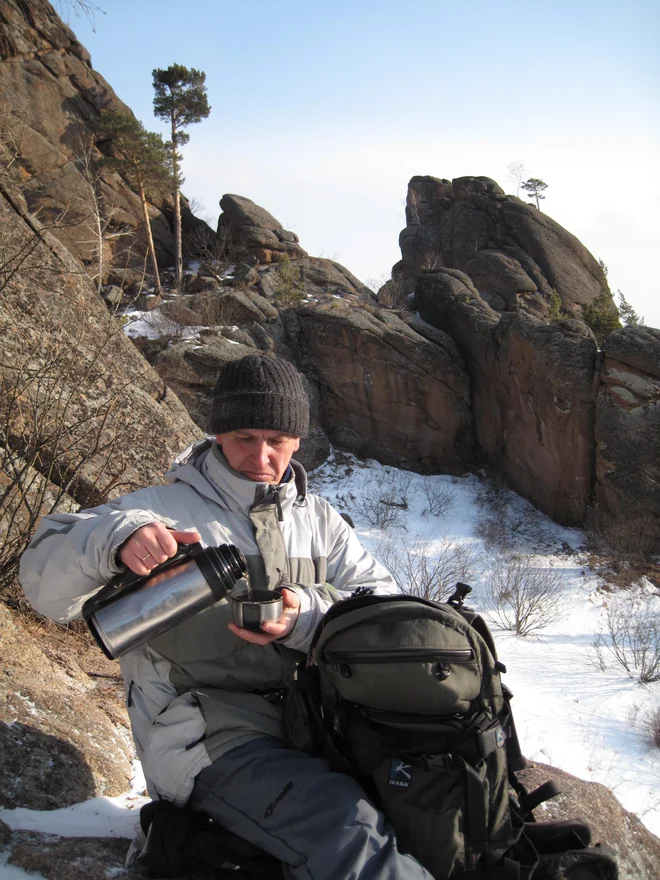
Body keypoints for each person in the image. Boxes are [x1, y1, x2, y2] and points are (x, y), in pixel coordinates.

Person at [19, 355, 433, 880]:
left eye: (277, 440)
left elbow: (385, 607)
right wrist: (116, 539)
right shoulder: (161, 509)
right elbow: (40, 583)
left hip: (315, 724)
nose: (261, 456)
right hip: (203, 735)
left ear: (298, 440)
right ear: (217, 433)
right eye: (245, 437)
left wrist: (305, 614)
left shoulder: (320, 520)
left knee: (430, 803)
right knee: (345, 829)